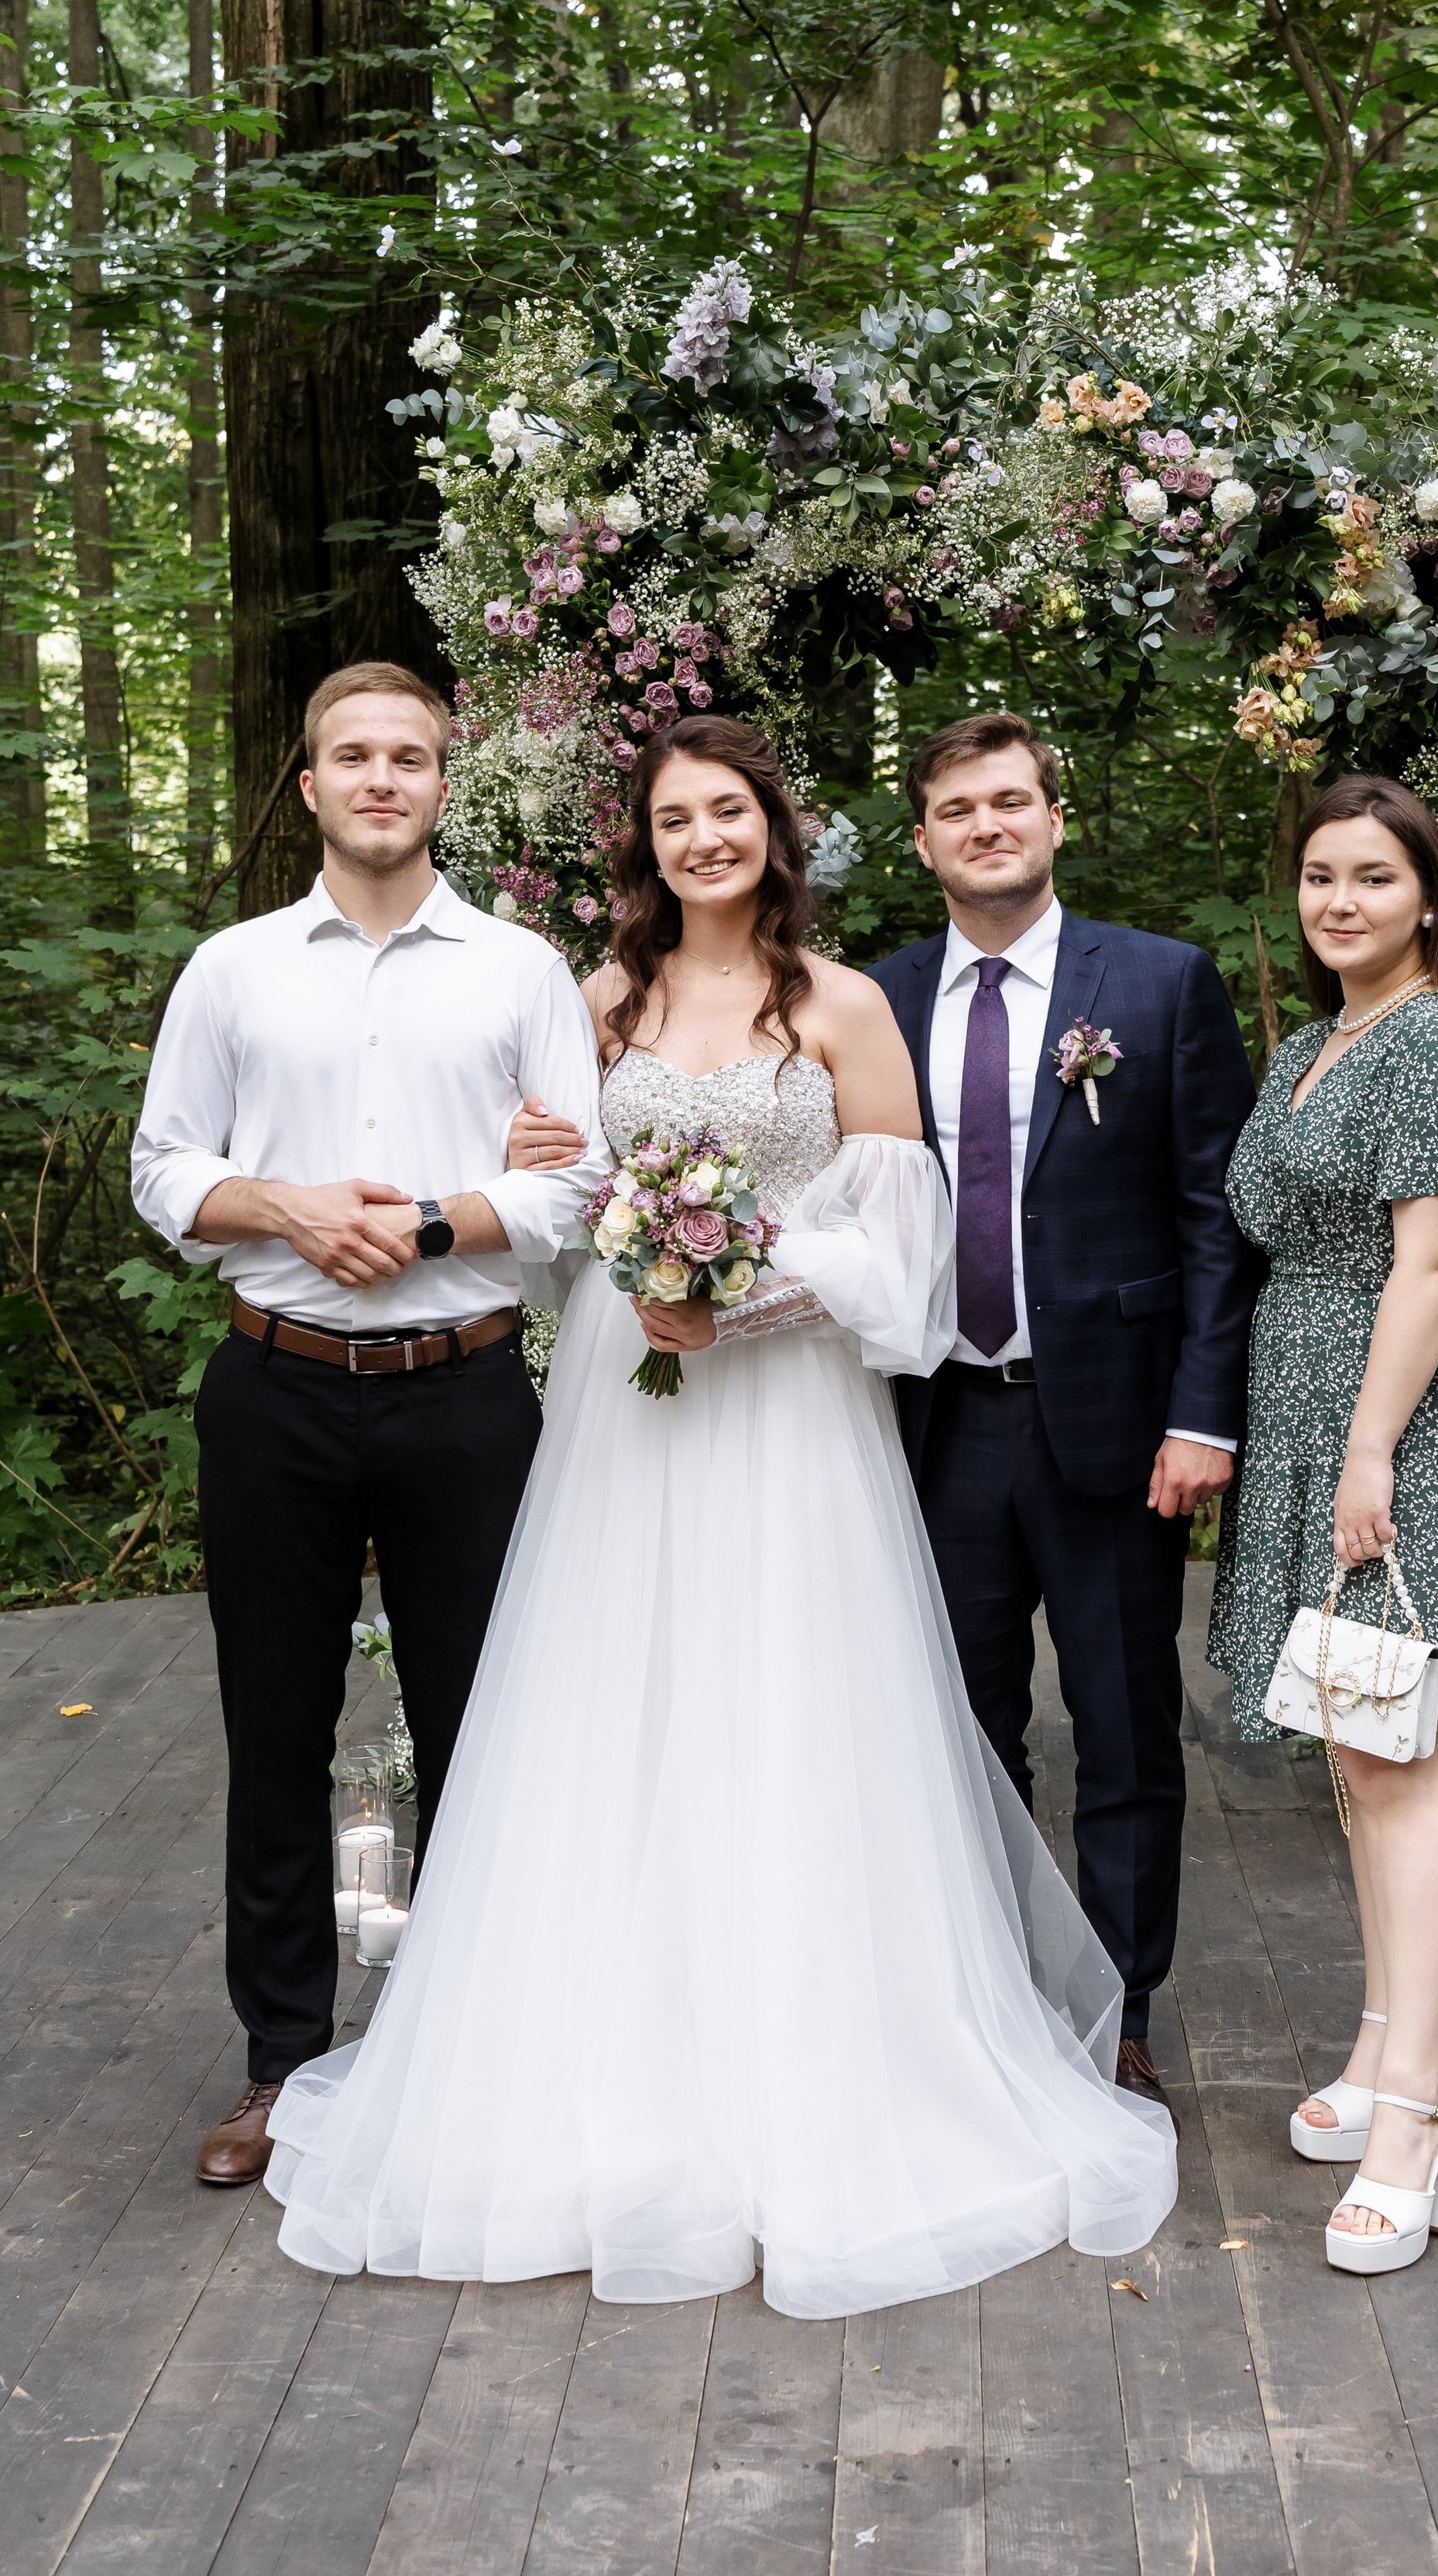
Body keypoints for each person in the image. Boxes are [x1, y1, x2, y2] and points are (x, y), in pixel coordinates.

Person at [261, 715, 1176, 2315]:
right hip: (625, 1411)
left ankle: (822, 2071)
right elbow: (542, 1230)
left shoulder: (843, 1007)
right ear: (643, 841)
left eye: (729, 812)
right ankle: (604, 2067)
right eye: (675, 817)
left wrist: (749, 1289)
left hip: (792, 1419)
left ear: (774, 831)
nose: (703, 840)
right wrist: (562, 1198)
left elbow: (902, 1271)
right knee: (613, 1719)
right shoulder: (590, 1004)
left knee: (791, 1712)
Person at [130, 661, 610, 2191]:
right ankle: (282, 2063)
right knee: (276, 1734)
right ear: (313, 783)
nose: (383, 779)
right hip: (273, 1391)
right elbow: (162, 1172)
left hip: (462, 1393)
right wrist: (278, 1204)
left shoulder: (521, 972)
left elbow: (576, 1190)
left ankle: (482, 2063)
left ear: (444, 783)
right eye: (355, 756)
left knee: (483, 1734)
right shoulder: (234, 971)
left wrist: (407, 1227)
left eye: (410, 756)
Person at [868, 713, 1259, 2106]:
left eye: (1011, 802)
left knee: (1123, 1726)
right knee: (958, 1735)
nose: (988, 825)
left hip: (1115, 1427)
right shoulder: (876, 999)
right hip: (935, 1423)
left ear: (1053, 820)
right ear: (923, 840)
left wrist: (1205, 1416)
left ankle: (1119, 2010)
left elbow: (1220, 1219)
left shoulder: (1156, 988)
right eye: (958, 808)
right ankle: (982, 2006)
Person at [1208, 773, 1438, 2275]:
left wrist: (1365, 1448)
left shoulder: (1436, 1043)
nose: (1337, 902)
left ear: (1427, 899)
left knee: (1399, 1757)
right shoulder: (1315, 1040)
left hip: (1394, 1426)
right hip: (1314, 1411)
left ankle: (1416, 2113)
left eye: (1370, 878)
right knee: (1359, 1749)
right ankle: (1379, 2042)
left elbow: (1430, 1263)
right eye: (1318, 878)